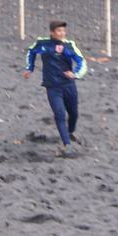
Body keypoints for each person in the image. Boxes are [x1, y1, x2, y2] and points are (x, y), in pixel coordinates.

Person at [23, 20, 87, 158]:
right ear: (52, 32)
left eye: (63, 30)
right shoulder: (42, 43)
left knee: (74, 113)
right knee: (59, 114)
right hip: (52, 86)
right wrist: (30, 67)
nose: (62, 33)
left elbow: (81, 61)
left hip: (68, 85)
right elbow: (31, 51)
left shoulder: (69, 45)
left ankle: (71, 132)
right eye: (59, 31)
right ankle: (67, 145)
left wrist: (75, 74)